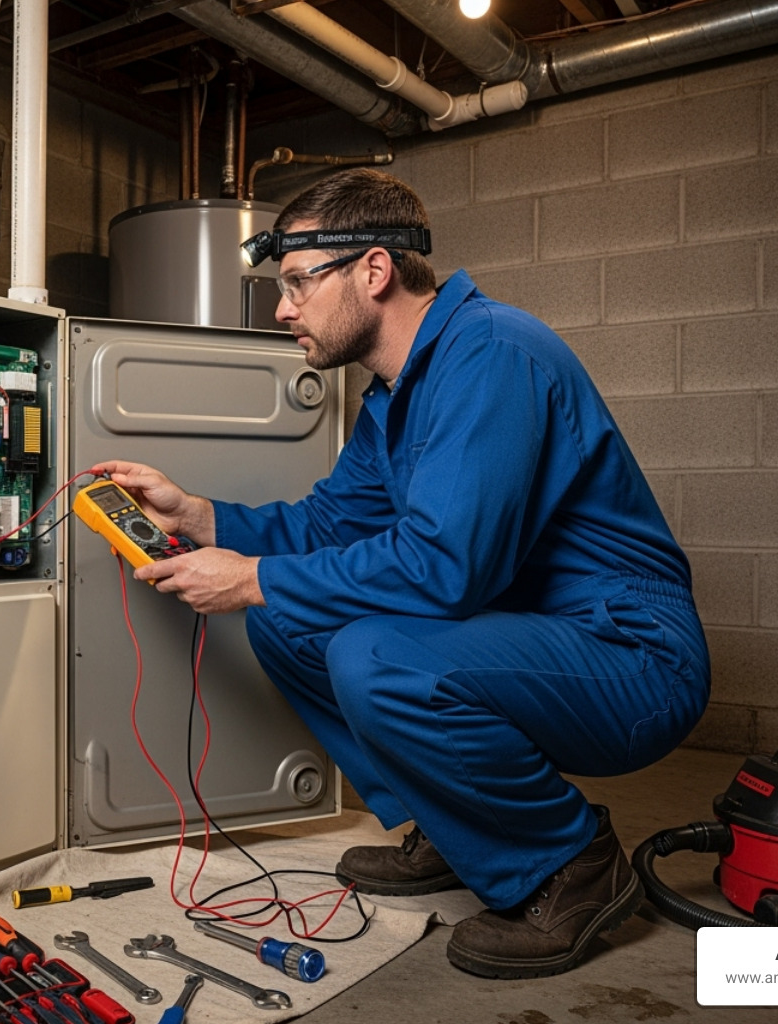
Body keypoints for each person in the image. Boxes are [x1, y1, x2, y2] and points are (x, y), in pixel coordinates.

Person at [94, 168, 709, 979]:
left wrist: (251, 579)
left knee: (367, 654)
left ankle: (571, 864)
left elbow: (443, 570)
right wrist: (199, 516)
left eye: (297, 284)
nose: (283, 310)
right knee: (289, 619)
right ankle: (457, 829)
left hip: (630, 656)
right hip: (530, 635)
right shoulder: (395, 395)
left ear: (373, 272)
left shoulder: (491, 356)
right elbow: (327, 526)